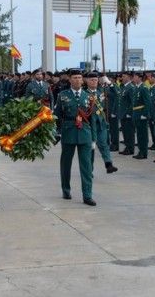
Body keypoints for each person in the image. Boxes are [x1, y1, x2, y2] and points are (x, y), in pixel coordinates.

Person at [54, 69, 97, 206]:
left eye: (80, 77)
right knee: (66, 164)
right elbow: (57, 116)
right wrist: (57, 132)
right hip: (68, 131)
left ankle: (87, 195)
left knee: (86, 166)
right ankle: (66, 189)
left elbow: (93, 119)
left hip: (85, 133)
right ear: (70, 80)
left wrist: (94, 139)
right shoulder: (62, 95)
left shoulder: (89, 96)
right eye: (75, 78)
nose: (78, 80)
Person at [85, 71, 118, 173]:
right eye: (91, 80)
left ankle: (109, 164)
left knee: (104, 144)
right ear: (87, 81)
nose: (94, 82)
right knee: (90, 148)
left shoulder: (102, 91)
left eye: (95, 80)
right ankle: (89, 170)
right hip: (89, 124)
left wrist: (109, 83)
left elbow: (116, 93)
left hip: (101, 123)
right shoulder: (83, 93)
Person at [132, 71, 150, 159]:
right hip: (136, 114)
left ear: (139, 78)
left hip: (141, 114)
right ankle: (140, 151)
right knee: (139, 134)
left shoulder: (144, 88)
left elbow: (147, 102)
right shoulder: (136, 88)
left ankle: (144, 152)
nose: (134, 78)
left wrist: (145, 114)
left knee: (143, 135)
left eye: (135, 76)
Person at [118, 71, 135, 155]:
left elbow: (133, 102)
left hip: (128, 114)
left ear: (129, 77)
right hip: (123, 113)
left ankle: (130, 148)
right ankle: (127, 147)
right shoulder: (124, 87)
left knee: (129, 132)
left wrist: (129, 113)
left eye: (124, 76)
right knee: (125, 132)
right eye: (122, 76)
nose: (122, 78)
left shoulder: (131, 87)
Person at [107, 72, 121, 152]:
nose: (108, 80)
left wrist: (114, 112)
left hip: (113, 111)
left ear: (113, 79)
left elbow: (117, 97)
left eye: (109, 79)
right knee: (111, 129)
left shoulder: (115, 87)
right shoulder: (109, 87)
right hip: (109, 111)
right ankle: (112, 143)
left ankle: (115, 145)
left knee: (115, 130)